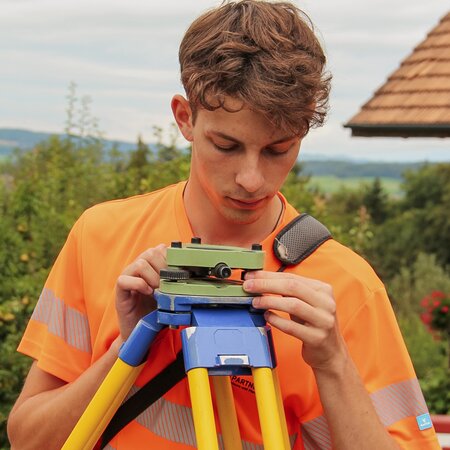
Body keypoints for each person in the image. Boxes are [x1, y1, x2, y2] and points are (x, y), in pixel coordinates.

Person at [7, 1, 441, 449]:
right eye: (227, 145)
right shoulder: (98, 235)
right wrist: (128, 348)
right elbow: (27, 440)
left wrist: (332, 362)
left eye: (278, 150)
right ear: (185, 118)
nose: (252, 179)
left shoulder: (346, 289)